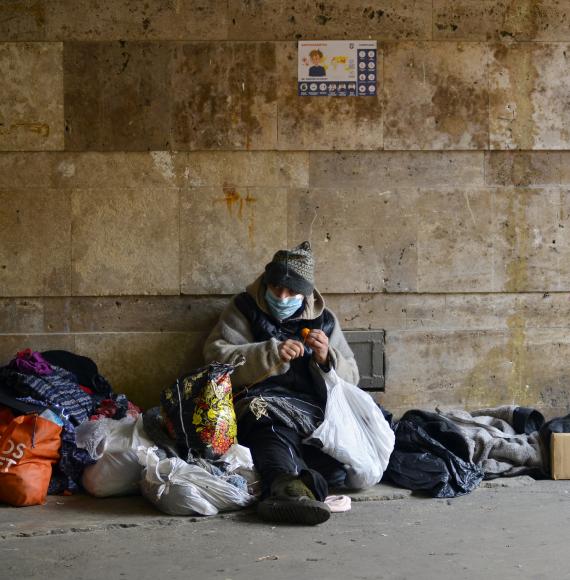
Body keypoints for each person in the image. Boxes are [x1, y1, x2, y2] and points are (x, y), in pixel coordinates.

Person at [203, 241, 359, 525]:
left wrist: (327, 358)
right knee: (273, 431)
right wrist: (269, 353)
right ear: (266, 283)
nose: (283, 296)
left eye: (292, 291)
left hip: (309, 409)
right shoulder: (243, 308)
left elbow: (353, 376)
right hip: (261, 404)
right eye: (276, 288)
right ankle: (287, 489)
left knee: (336, 461)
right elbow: (216, 358)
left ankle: (298, 485)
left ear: (306, 293)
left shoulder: (324, 320)